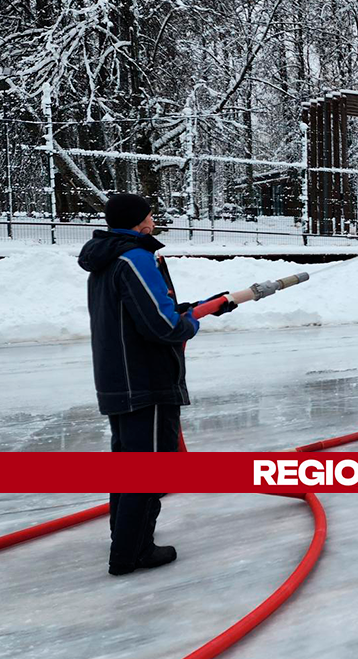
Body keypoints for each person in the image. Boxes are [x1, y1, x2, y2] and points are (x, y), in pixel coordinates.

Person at [78, 193, 232, 576]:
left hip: (121, 381)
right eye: (149, 216)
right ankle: (134, 552)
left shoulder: (107, 259)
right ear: (138, 221)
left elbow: (150, 310)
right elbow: (163, 326)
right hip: (146, 381)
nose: (153, 222)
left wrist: (204, 305)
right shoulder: (137, 257)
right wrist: (190, 322)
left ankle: (126, 543)